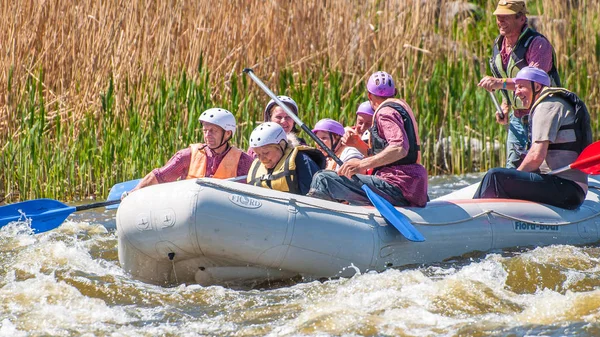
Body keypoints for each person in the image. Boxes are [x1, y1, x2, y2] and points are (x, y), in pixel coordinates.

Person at [473, 67, 592, 210]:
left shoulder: (547, 105)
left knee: (495, 177)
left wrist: (514, 178)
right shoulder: (552, 102)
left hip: (567, 189)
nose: (516, 92)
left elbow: (536, 156)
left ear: (537, 86)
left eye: (521, 86)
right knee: (500, 177)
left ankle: (473, 216)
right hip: (566, 187)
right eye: (516, 87)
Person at [308, 71, 428, 207]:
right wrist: (356, 144)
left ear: (369, 95)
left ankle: (314, 221)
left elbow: (399, 149)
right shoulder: (399, 108)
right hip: (412, 187)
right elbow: (387, 156)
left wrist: (360, 164)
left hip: (397, 186)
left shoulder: (385, 112)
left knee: (323, 178)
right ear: (394, 92)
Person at [478, 0, 560, 169]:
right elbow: (505, 75)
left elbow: (535, 81)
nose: (500, 21)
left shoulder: (538, 44)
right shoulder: (498, 45)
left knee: (543, 168)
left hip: (542, 116)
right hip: (517, 119)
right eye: (498, 17)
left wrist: (499, 83)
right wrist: (505, 106)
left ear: (521, 19)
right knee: (512, 169)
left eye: (505, 17)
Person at [124, 108, 253, 196]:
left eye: (213, 131)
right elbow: (159, 176)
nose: (207, 135)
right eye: (205, 130)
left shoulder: (244, 161)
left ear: (228, 133)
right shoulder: (187, 156)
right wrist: (134, 192)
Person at [247, 122, 325, 195]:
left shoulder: (302, 161)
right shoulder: (258, 165)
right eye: (258, 154)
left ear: (282, 145)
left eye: (266, 153)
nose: (262, 159)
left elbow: (316, 199)